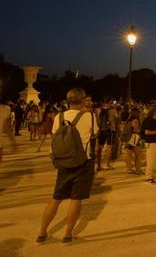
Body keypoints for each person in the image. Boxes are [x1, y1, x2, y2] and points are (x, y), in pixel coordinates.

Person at [36, 88, 96, 245]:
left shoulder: (59, 117)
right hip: (83, 161)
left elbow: (55, 137)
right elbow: (94, 134)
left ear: (68, 100)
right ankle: (67, 235)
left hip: (64, 161)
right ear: (83, 100)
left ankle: (42, 233)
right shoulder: (89, 116)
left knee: (56, 198)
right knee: (76, 199)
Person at [142, 105, 156, 184]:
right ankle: (148, 177)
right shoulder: (148, 120)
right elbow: (147, 132)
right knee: (150, 161)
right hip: (150, 142)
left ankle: (151, 172)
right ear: (154, 111)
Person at [96, 103, 117, 171]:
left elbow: (98, 122)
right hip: (110, 131)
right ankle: (107, 165)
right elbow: (116, 119)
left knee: (100, 148)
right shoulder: (112, 111)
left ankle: (99, 165)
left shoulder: (99, 112)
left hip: (102, 131)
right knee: (109, 148)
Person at [124, 109, 143, 175]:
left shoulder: (128, 121)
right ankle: (137, 169)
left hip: (128, 140)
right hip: (135, 139)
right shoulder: (136, 120)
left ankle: (129, 169)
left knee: (129, 155)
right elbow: (136, 129)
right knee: (138, 155)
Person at [0, 96, 16, 163]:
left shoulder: (6, 109)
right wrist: (12, 141)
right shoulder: (6, 109)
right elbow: (7, 127)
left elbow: (7, 126)